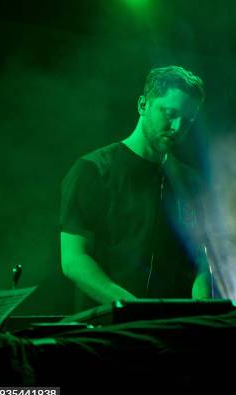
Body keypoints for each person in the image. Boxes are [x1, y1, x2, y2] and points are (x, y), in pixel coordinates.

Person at [60, 65, 211, 311]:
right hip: (109, 332)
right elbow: (74, 260)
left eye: (188, 120)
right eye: (170, 113)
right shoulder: (93, 170)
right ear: (143, 105)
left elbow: (200, 258)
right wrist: (134, 308)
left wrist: (204, 308)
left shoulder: (190, 182)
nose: (177, 127)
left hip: (174, 332)